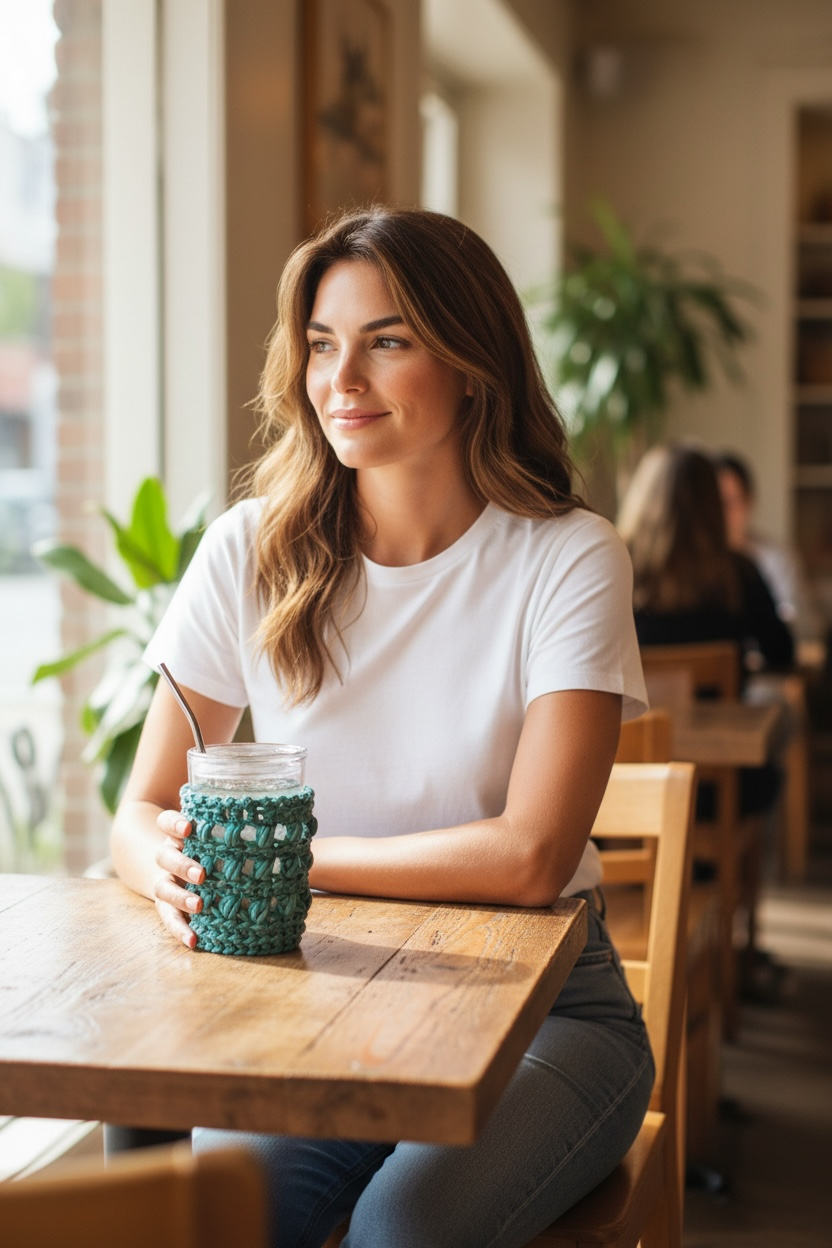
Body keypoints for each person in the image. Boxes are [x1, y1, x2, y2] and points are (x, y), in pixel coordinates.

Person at [111, 207, 653, 1248]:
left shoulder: (570, 558)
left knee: (400, 1234)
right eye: (321, 345)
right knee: (216, 1220)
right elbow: (138, 812)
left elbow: (531, 857)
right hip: (318, 1008)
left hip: (545, 1015)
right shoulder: (249, 551)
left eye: (387, 341)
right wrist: (166, 862)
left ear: (470, 361)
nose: (341, 381)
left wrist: (283, 864)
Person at [617, 441, 794, 817]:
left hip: (627, 781)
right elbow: (783, 652)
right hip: (721, 785)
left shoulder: (615, 576)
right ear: (712, 506)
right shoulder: (740, 575)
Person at [714, 450, 826, 648]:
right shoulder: (696, 567)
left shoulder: (776, 558)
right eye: (715, 504)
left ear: (749, 501)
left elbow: (799, 625)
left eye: (731, 502)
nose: (723, 513)